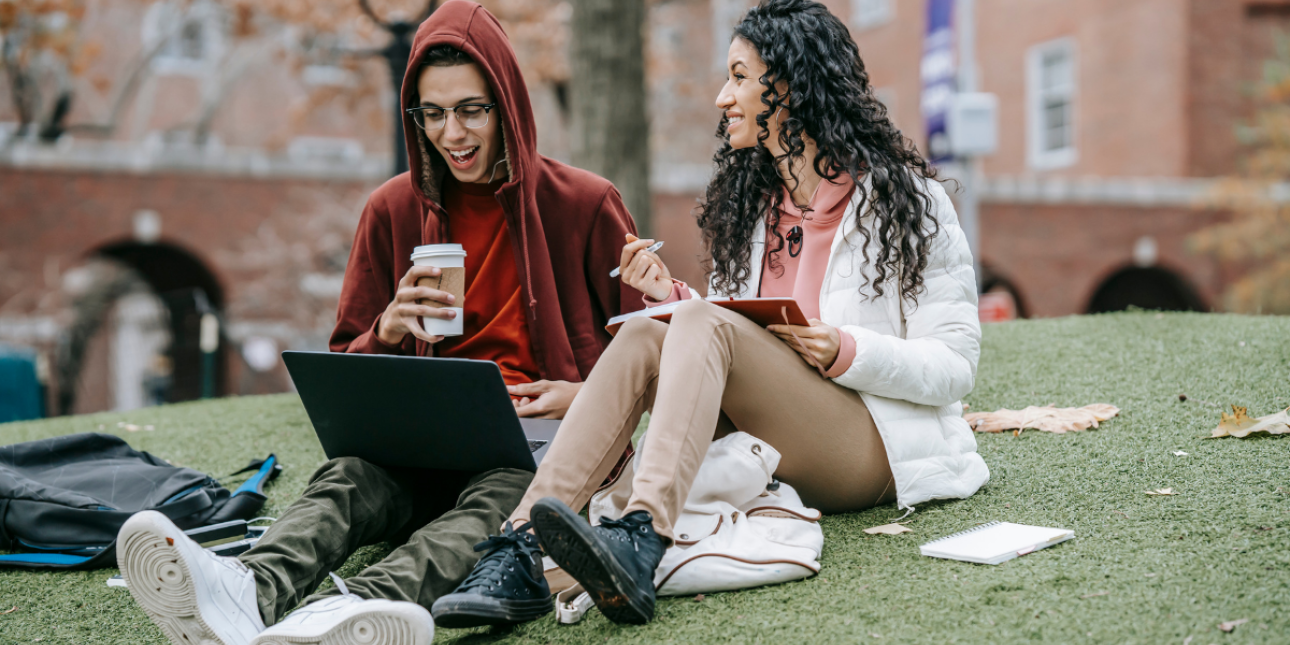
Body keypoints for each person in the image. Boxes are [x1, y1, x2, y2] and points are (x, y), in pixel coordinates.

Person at [436, 0, 990, 627]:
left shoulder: (907, 201)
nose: (723, 96)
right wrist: (672, 299)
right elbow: (729, 336)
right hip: (776, 437)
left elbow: (954, 366)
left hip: (876, 445)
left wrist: (844, 348)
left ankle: (642, 531)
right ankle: (519, 547)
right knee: (649, 329)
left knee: (692, 323)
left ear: (788, 86)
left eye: (739, 76)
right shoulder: (750, 207)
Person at [113, 2, 642, 644]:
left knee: (495, 498)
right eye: (434, 113)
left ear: (509, 104)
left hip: (536, 447)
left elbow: (646, 356)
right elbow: (347, 364)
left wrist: (582, 395)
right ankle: (247, 588)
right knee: (349, 478)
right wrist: (389, 329)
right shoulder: (390, 209)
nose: (453, 133)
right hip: (421, 445)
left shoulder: (585, 205)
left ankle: (350, 611)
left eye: (473, 109)